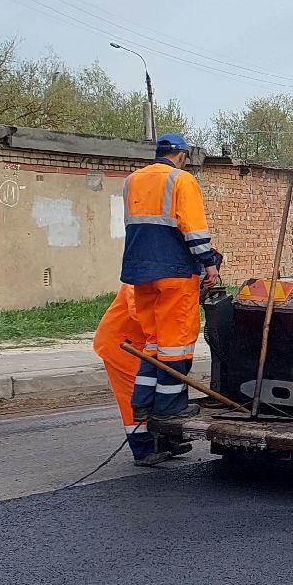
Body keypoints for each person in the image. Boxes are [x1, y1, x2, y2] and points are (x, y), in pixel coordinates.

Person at [121, 133, 222, 422]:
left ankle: (142, 402)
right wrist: (209, 263)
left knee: (153, 342)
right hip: (175, 271)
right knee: (176, 341)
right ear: (182, 156)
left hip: (141, 272)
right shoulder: (181, 180)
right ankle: (169, 406)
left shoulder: (132, 181)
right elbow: (193, 229)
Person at [91, 284, 191, 466]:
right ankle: (143, 451)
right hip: (121, 346)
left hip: (142, 347)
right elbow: (138, 312)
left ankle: (161, 444)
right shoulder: (137, 280)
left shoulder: (160, 277)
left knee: (154, 394)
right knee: (134, 399)